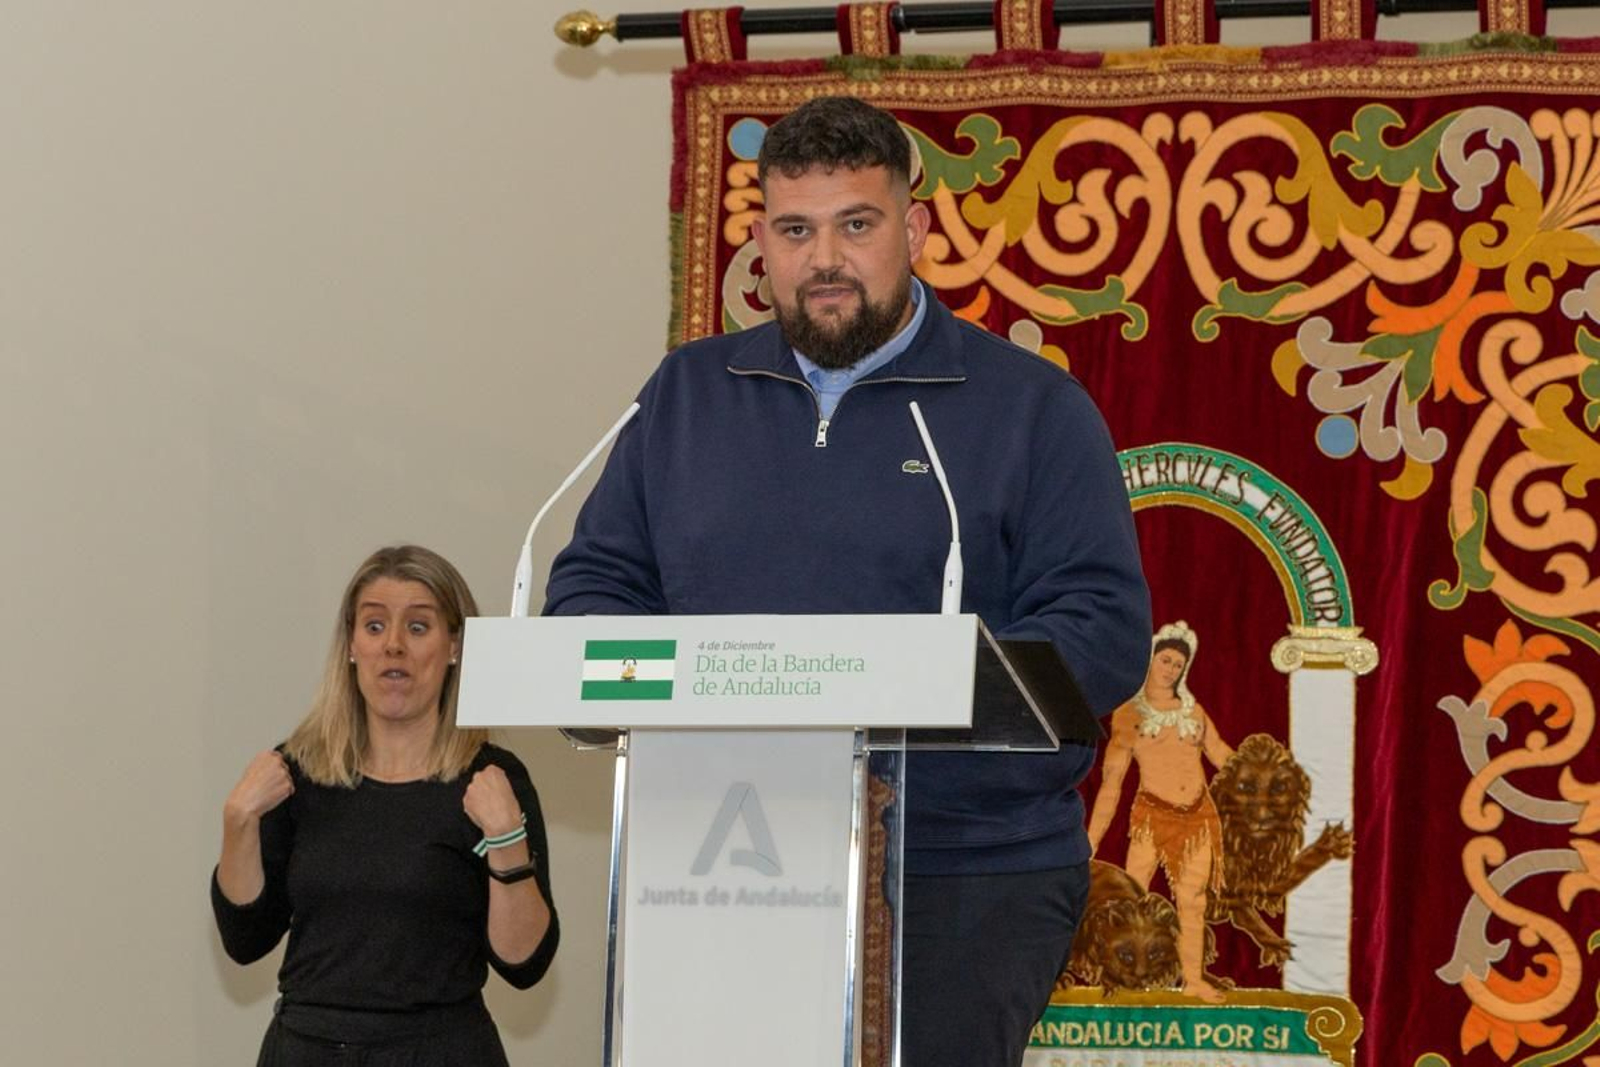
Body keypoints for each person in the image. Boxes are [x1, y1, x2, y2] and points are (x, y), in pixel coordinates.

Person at [544, 96, 1150, 1066]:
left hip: (961, 871)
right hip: (721, 859)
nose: (823, 259)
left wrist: (922, 685)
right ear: (761, 244)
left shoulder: (1030, 408)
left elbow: (1103, 630)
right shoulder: (687, 396)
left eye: (855, 225)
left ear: (912, 229)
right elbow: (592, 587)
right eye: (795, 230)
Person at [212, 545, 559, 1066]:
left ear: (455, 647)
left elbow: (524, 964)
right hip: (307, 1049)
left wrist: (508, 842)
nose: (393, 646)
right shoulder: (295, 772)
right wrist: (238, 822)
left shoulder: (492, 779)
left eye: (418, 628)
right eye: (375, 627)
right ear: (351, 645)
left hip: (442, 1051)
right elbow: (245, 940)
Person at [1086, 620, 1234, 1002]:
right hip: (1152, 816)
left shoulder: (1193, 711)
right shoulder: (1129, 715)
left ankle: (1194, 980)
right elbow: (1112, 784)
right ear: (1150, 660)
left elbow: (1221, 756)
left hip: (1198, 817)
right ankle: (1123, 980)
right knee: (1133, 899)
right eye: (1165, 660)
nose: (1170, 669)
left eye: (1177, 664)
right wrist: (1091, 841)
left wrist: (1258, 770)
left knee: (1193, 900)